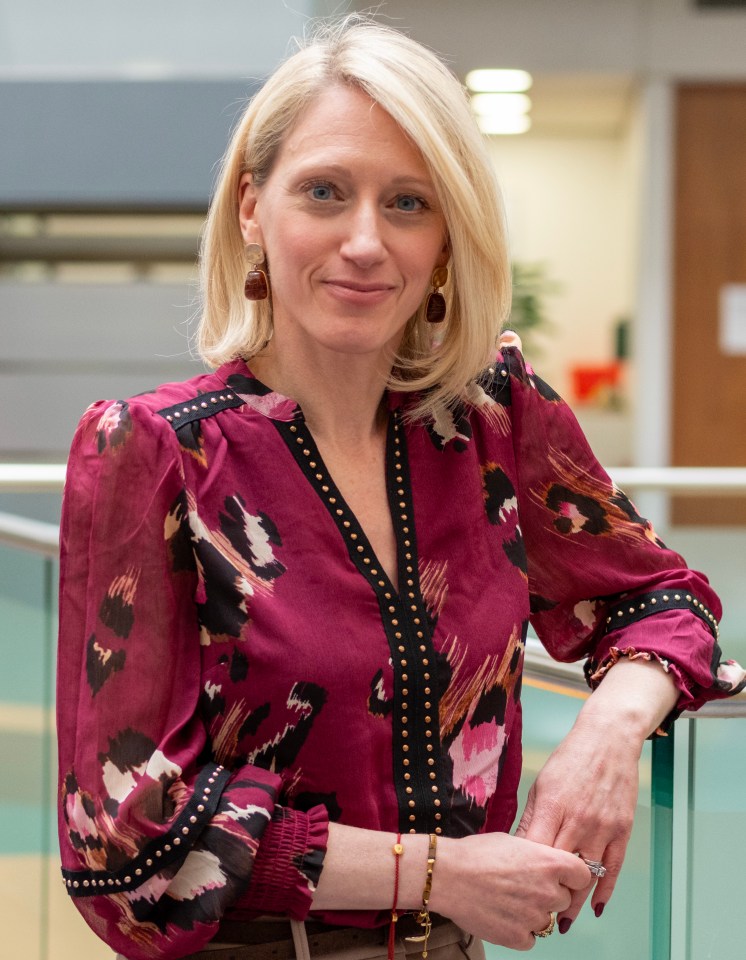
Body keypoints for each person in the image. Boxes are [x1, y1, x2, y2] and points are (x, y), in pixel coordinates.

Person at [56, 16, 745, 960]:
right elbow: (120, 836)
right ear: (254, 210)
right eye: (325, 192)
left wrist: (607, 735)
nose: (366, 241)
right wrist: (437, 871)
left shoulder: (492, 420)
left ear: (448, 238)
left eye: (410, 202)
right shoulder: (156, 451)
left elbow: (663, 599)